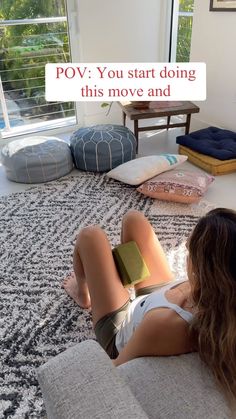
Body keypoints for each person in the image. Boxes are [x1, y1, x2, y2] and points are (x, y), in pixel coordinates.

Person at [63, 208, 236, 399]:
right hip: (159, 297)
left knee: (91, 236)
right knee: (134, 220)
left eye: (190, 251)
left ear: (204, 269)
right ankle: (120, 278)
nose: (186, 250)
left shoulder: (165, 323)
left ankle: (82, 293)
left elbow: (117, 367)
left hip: (121, 326)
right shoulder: (223, 296)